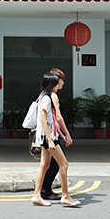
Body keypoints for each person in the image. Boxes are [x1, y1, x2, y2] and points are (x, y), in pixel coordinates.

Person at [32, 72, 81, 207]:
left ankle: (37, 195)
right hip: (48, 138)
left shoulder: (44, 97)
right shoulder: (48, 98)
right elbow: (44, 120)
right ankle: (65, 196)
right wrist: (51, 139)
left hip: (46, 137)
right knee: (64, 164)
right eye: (56, 82)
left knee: (44, 165)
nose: (59, 84)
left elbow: (52, 121)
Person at [40, 68, 72, 200]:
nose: (62, 83)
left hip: (51, 134)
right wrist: (66, 134)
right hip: (50, 135)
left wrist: (62, 135)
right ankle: (53, 193)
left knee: (48, 164)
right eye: (61, 80)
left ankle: (43, 191)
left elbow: (52, 120)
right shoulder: (52, 96)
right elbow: (57, 118)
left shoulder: (45, 95)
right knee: (61, 164)